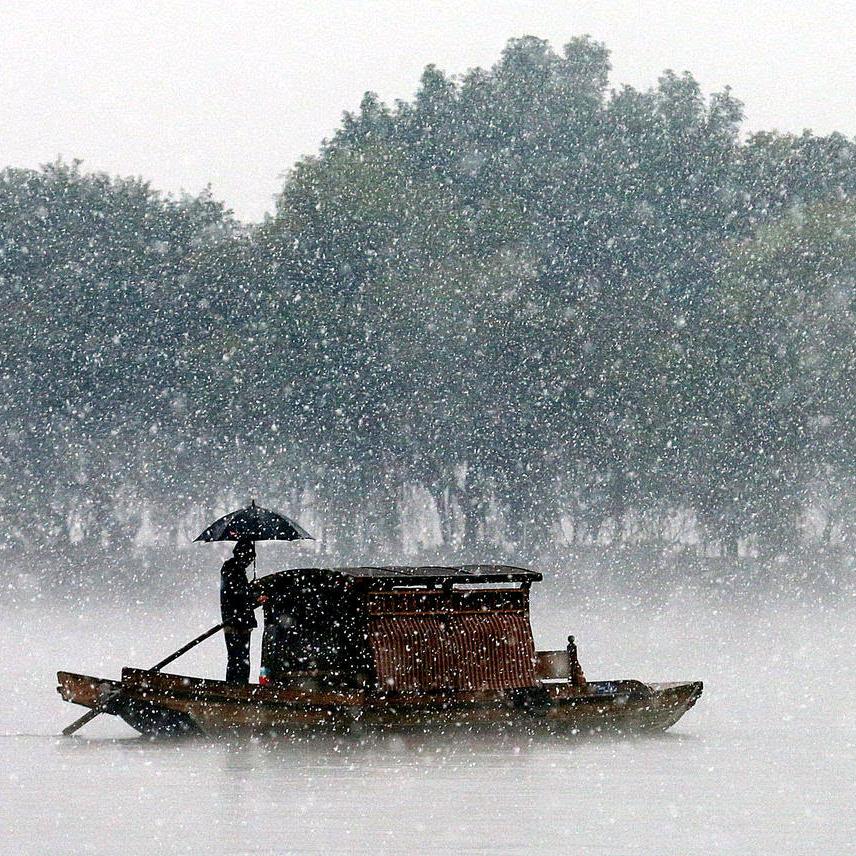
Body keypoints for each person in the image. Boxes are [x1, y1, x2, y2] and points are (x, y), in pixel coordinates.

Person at [220, 537, 260, 683]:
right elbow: (237, 594)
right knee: (239, 659)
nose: (250, 562)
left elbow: (238, 593)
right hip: (236, 622)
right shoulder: (232, 569)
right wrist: (253, 594)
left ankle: (237, 687)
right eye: (249, 558)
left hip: (237, 621)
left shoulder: (233, 569)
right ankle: (237, 688)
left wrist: (250, 591)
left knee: (239, 659)